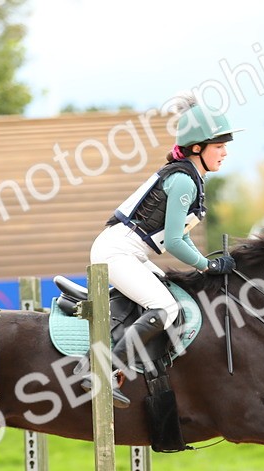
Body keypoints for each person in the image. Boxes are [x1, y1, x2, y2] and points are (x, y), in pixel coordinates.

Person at [84, 97, 242, 407]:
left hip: (130, 252)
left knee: (173, 296)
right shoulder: (184, 181)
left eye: (226, 144)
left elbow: (179, 236)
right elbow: (173, 242)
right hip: (116, 252)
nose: (225, 151)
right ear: (197, 147)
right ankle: (101, 370)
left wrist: (203, 263)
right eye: (219, 145)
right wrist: (206, 267)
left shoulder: (189, 177)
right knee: (166, 309)